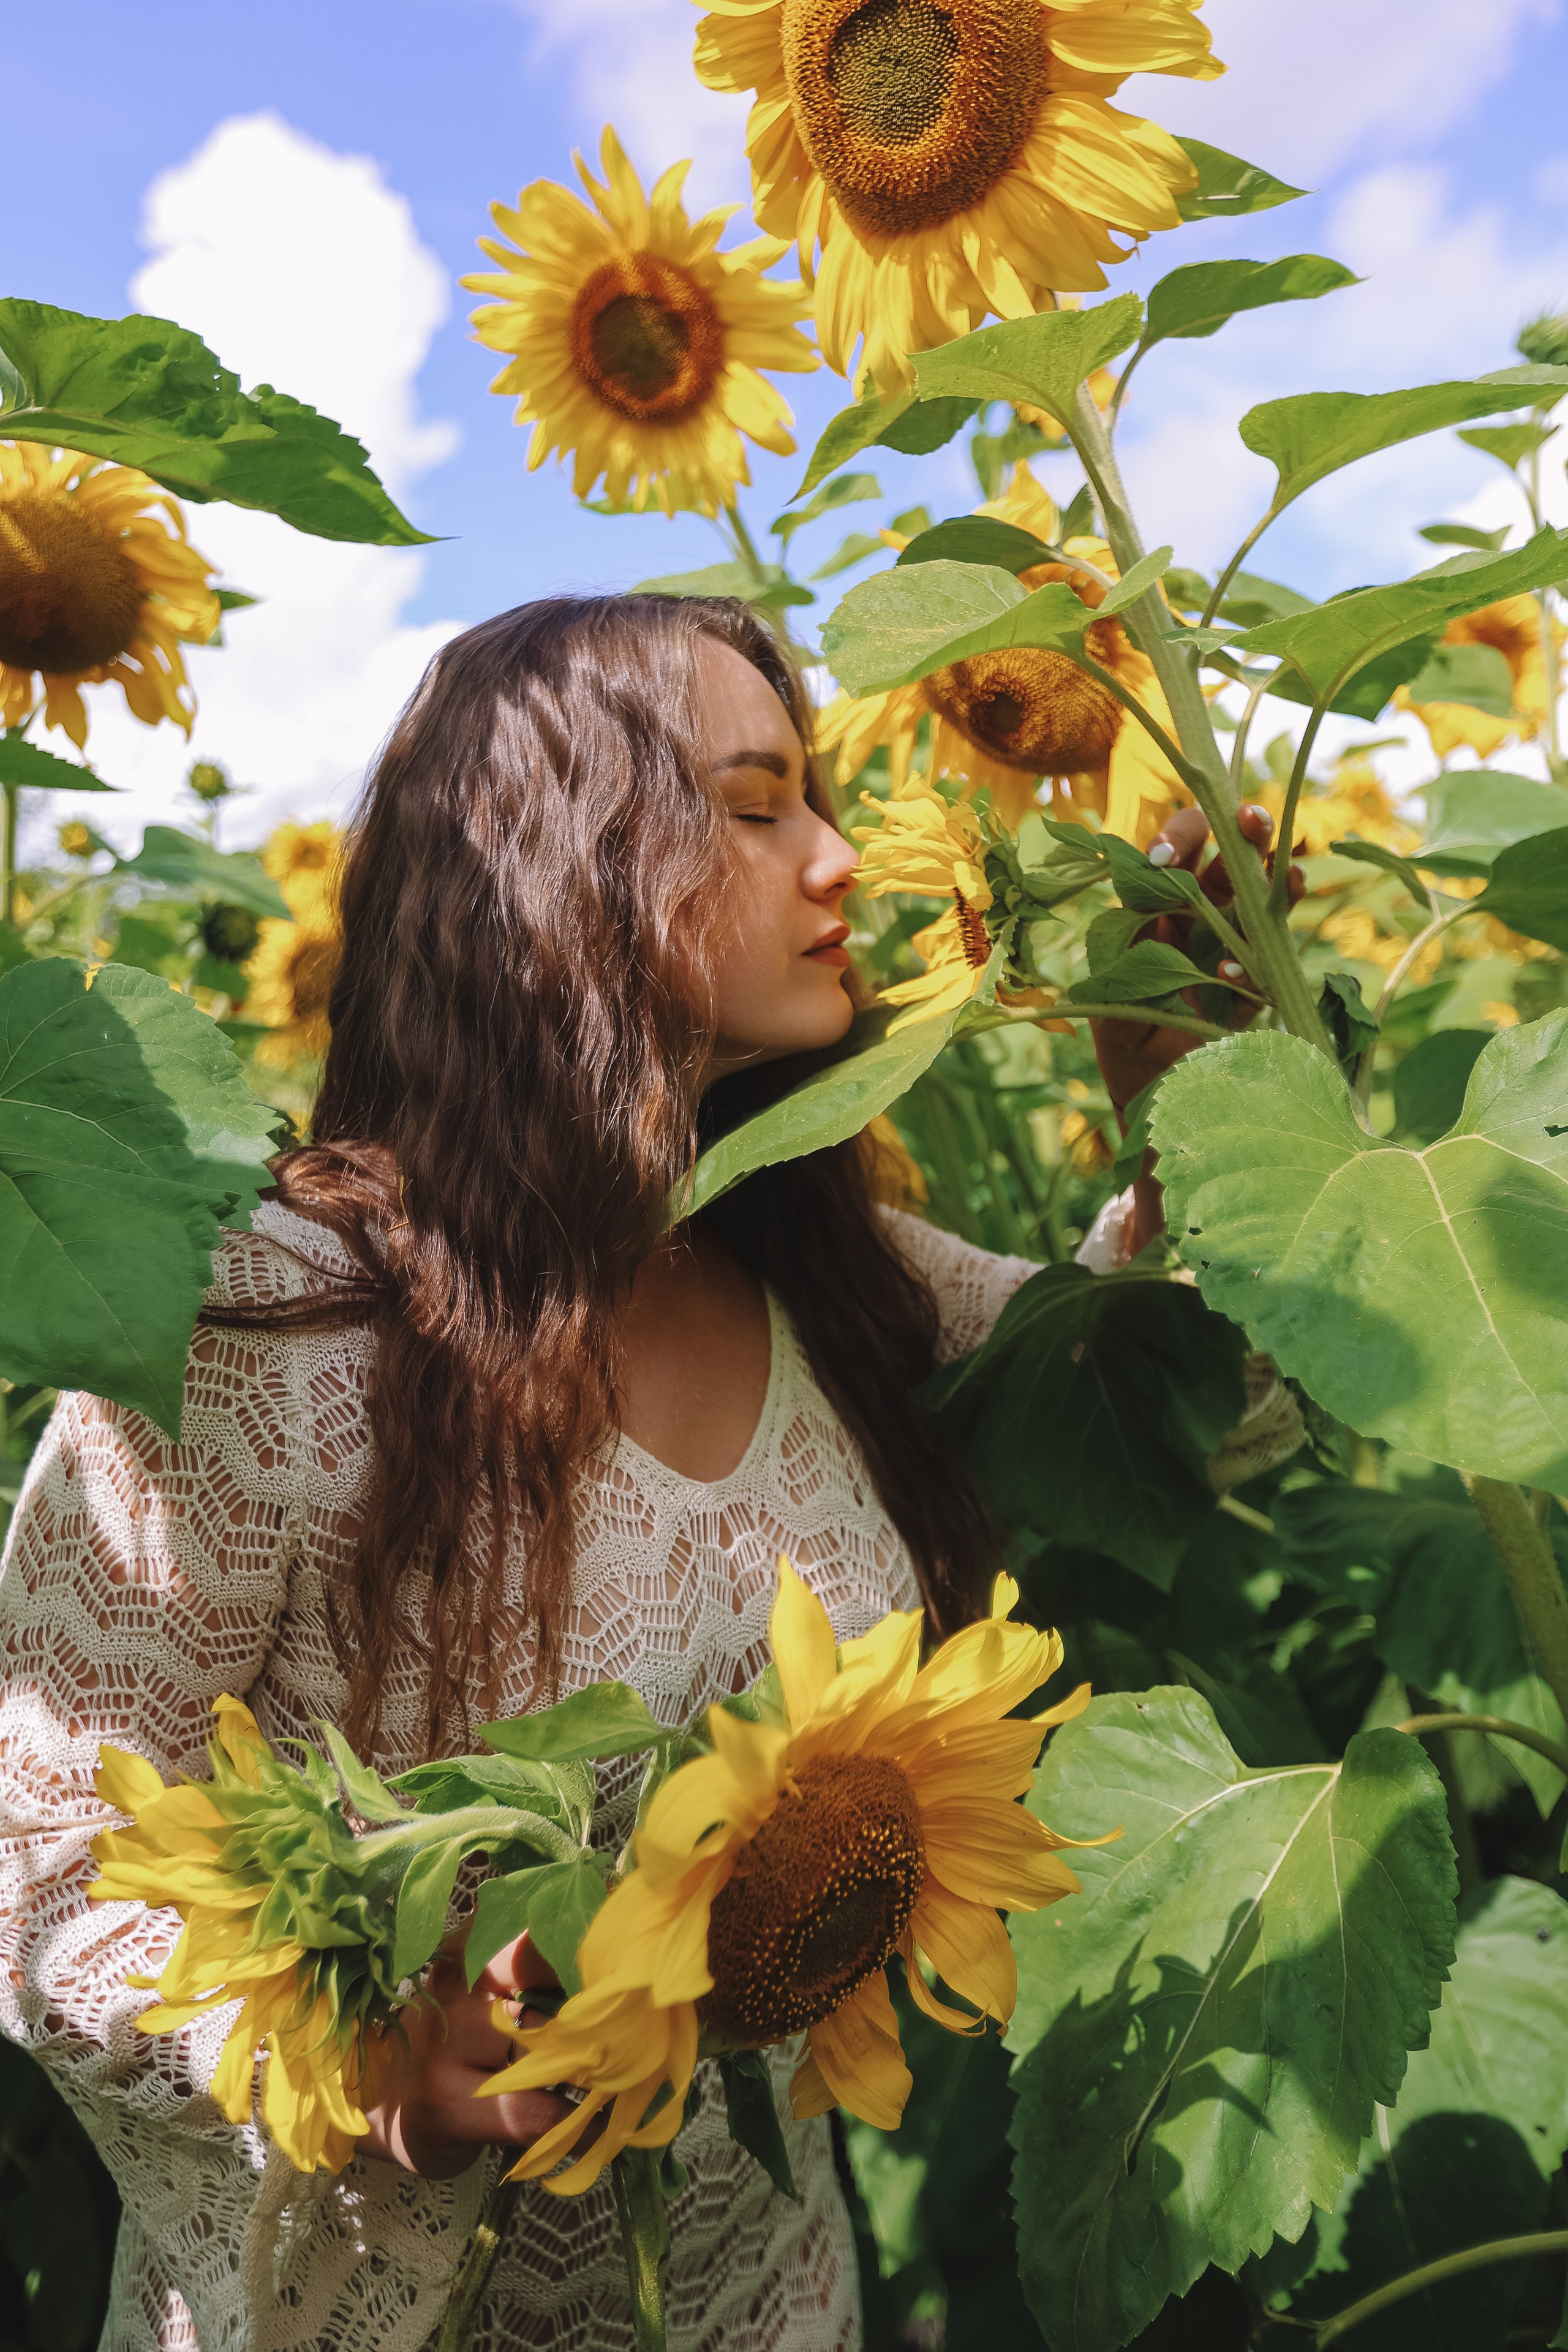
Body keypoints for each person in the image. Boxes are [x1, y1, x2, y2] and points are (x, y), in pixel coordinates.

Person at [0, 594, 1283, 2352]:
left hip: (772, 2299)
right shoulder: (269, 1330)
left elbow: (1186, 1406)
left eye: (820, 798)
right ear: (552, 865)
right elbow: (36, 1850)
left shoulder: (835, 1275)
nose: (841, 862)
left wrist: (1198, 1099)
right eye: (757, 808)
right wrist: (342, 2054)